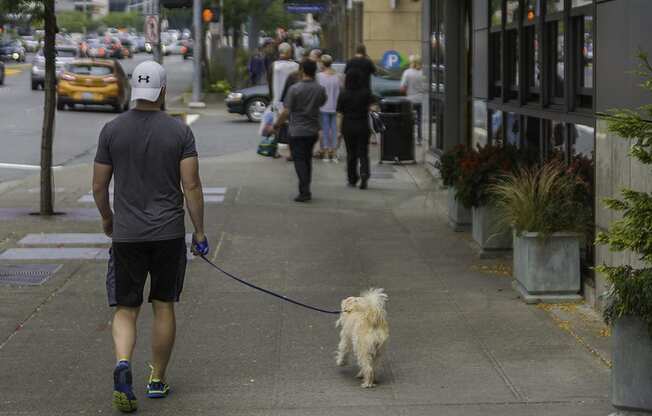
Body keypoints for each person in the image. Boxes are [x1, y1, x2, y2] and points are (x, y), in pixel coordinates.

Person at [92, 61, 209, 413]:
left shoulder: (112, 130)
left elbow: (99, 186)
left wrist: (108, 219)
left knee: (126, 308)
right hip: (168, 234)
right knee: (163, 305)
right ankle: (156, 379)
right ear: (162, 90)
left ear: (134, 89)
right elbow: (190, 185)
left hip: (127, 235)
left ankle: (123, 363)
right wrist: (199, 232)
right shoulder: (179, 132)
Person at [274, 59, 327, 202]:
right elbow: (322, 102)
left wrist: (276, 125)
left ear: (302, 71)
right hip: (312, 130)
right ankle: (306, 187)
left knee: (299, 161)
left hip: (296, 130)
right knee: (307, 159)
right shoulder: (319, 89)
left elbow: (286, 111)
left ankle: (304, 191)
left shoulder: (295, 89)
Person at [337, 69, 376, 189]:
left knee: (351, 153)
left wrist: (339, 131)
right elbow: (375, 107)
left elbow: (339, 113)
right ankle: (364, 174)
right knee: (363, 152)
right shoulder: (366, 92)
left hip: (348, 125)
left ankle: (352, 178)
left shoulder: (343, 93)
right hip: (363, 124)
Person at [317, 54, 340, 162]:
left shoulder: (319, 76)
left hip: (323, 107)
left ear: (322, 63)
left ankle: (326, 153)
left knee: (325, 130)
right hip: (334, 106)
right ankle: (334, 153)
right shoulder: (337, 76)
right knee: (334, 130)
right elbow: (339, 93)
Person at [400, 55, 427, 145]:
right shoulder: (422, 73)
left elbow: (403, 88)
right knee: (419, 120)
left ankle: (408, 138)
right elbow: (425, 87)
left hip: (410, 100)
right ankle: (419, 139)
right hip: (419, 99)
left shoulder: (407, 73)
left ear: (411, 62)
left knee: (408, 119)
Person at [271, 42, 299, 111]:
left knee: (278, 120)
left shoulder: (274, 65)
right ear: (289, 52)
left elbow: (269, 83)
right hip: (293, 100)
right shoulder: (296, 66)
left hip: (277, 99)